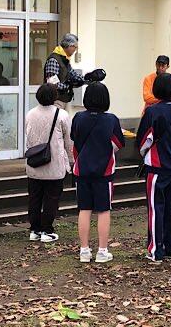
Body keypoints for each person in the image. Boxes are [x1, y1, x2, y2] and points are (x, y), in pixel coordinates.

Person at [136, 73, 171, 263]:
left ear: (155, 89)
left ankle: (156, 249)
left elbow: (143, 140)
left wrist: (145, 155)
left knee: (155, 208)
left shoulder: (152, 111)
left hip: (157, 168)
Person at [71, 82, 125, 263]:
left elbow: (74, 138)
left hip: (82, 170)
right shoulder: (111, 120)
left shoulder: (78, 117)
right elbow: (118, 144)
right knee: (103, 210)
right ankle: (102, 251)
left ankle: (84, 251)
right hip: (104, 172)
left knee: (84, 209)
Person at [25, 83, 73, 243]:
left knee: (34, 198)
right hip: (54, 165)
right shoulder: (62, 115)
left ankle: (34, 229)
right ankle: (47, 230)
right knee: (51, 199)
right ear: (54, 96)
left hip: (34, 163)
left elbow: (28, 138)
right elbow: (69, 141)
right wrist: (71, 160)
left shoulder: (30, 114)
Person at [44, 33, 84, 108]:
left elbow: (73, 74)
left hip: (65, 99)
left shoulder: (65, 59)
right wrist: (67, 86)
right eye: (75, 47)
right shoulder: (54, 60)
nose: (75, 50)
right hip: (56, 100)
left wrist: (83, 79)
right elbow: (52, 83)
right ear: (69, 46)